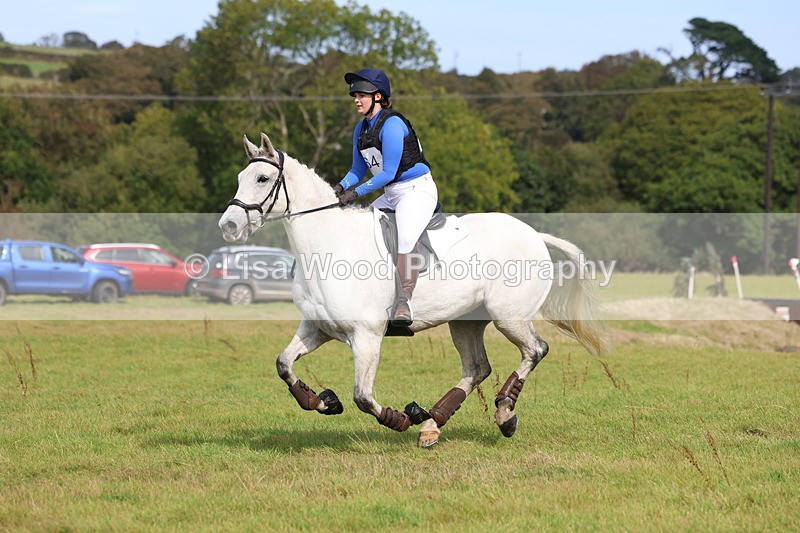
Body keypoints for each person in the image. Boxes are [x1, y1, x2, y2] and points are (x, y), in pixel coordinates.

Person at [333, 68, 438, 327]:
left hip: (416, 190)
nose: (356, 99)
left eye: (361, 95)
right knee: (363, 230)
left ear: (378, 96)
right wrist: (338, 187)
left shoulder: (392, 124)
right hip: (391, 194)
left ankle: (404, 302)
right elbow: (358, 170)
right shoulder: (361, 128)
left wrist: (355, 193)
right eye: (354, 95)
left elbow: (389, 172)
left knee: (404, 237)